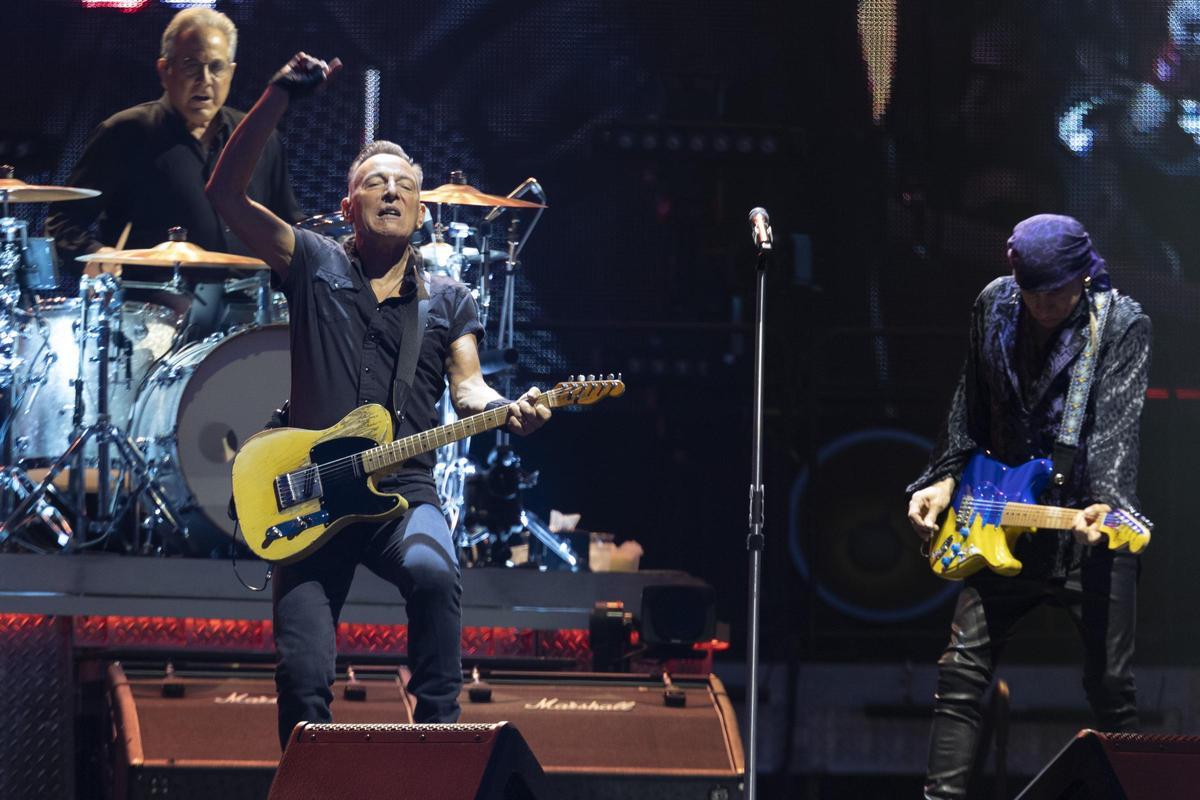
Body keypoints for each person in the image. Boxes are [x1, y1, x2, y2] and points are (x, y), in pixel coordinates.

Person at [205, 52, 552, 748]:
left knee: (432, 571)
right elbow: (226, 194)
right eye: (375, 183)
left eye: (404, 186)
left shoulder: (450, 298)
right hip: (308, 494)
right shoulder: (312, 260)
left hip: (405, 492)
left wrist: (509, 406)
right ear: (347, 206)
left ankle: (438, 756)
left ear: (422, 211)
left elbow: (468, 387)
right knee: (303, 679)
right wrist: (277, 96)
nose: (391, 192)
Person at [905, 214, 1152, 800]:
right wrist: (942, 479)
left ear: (1083, 277)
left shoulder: (1120, 323)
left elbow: (1117, 428)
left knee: (1112, 688)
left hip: (1081, 525)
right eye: (1031, 292)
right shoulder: (994, 304)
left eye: (1057, 293)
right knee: (960, 672)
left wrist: (1107, 506)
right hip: (995, 514)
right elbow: (970, 401)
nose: (1043, 305)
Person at [44, 7, 302, 335]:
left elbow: (288, 225)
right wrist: (97, 254)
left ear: (231, 72)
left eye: (216, 67)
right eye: (191, 65)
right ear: (164, 70)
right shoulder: (125, 132)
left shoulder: (260, 138)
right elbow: (63, 221)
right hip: (153, 318)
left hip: (251, 315)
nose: (204, 80)